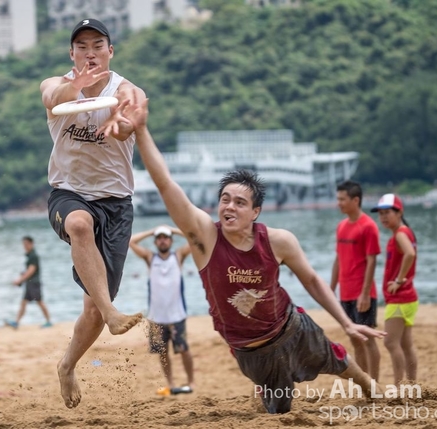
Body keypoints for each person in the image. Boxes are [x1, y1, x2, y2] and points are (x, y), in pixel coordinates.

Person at [110, 94, 386, 414]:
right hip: (248, 349)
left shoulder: (279, 241)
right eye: (225, 199)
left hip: (290, 325)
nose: (229, 206)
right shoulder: (206, 238)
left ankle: (367, 383)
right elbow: (166, 184)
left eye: (239, 203)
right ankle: (266, 391)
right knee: (279, 408)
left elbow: (311, 279)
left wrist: (348, 323)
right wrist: (142, 131)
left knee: (335, 357)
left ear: (255, 211)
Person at [39, 18, 144, 409]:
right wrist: (76, 86)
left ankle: (67, 365)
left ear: (110, 51)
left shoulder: (127, 89)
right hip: (68, 193)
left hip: (116, 203)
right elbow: (52, 97)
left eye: (97, 45)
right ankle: (113, 312)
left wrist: (119, 124)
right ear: (72, 53)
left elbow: (129, 120)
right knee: (79, 223)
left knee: (91, 311)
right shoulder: (57, 85)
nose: (90, 52)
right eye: (81, 46)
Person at [129, 225, 195, 395]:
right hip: (156, 317)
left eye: (166, 237)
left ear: (171, 240)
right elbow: (131, 242)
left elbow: (194, 239)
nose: (163, 240)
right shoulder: (150, 258)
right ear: (155, 241)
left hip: (177, 315)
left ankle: (191, 382)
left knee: (184, 350)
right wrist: (151, 230)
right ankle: (171, 383)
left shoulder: (178, 256)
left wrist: (174, 230)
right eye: (159, 238)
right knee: (163, 352)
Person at [330, 180, 382, 381]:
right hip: (345, 292)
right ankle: (365, 384)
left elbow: (372, 261)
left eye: (342, 199)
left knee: (368, 339)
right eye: (338, 199)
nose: (339, 203)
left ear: (355, 200)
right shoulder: (341, 226)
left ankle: (375, 384)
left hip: (363, 293)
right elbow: (338, 258)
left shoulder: (368, 226)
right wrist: (330, 288)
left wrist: (365, 293)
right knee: (355, 340)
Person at [371, 193, 418, 385]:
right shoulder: (404, 232)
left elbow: (410, 253)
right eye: (380, 213)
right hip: (408, 297)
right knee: (406, 345)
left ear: (399, 212)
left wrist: (399, 280)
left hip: (400, 297)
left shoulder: (400, 234)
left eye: (387, 212)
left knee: (390, 342)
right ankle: (412, 384)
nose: (383, 217)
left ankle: (400, 385)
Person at [6, 236, 52, 329]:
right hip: (30, 283)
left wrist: (20, 280)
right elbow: (28, 270)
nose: (25, 246)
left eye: (26, 244)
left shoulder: (33, 256)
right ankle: (16, 322)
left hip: (34, 283)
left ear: (31, 244)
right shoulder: (30, 255)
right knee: (23, 302)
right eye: (24, 244)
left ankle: (48, 321)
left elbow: (31, 270)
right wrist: (22, 277)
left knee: (39, 302)